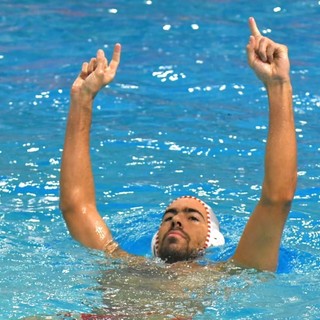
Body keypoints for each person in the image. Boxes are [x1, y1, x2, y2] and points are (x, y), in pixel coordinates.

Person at [60, 17, 297, 274]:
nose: (176, 220)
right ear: (155, 239)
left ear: (211, 239)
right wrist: (82, 100)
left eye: (192, 217)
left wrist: (278, 85)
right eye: (169, 217)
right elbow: (76, 206)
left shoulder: (227, 277)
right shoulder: (121, 262)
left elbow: (277, 198)